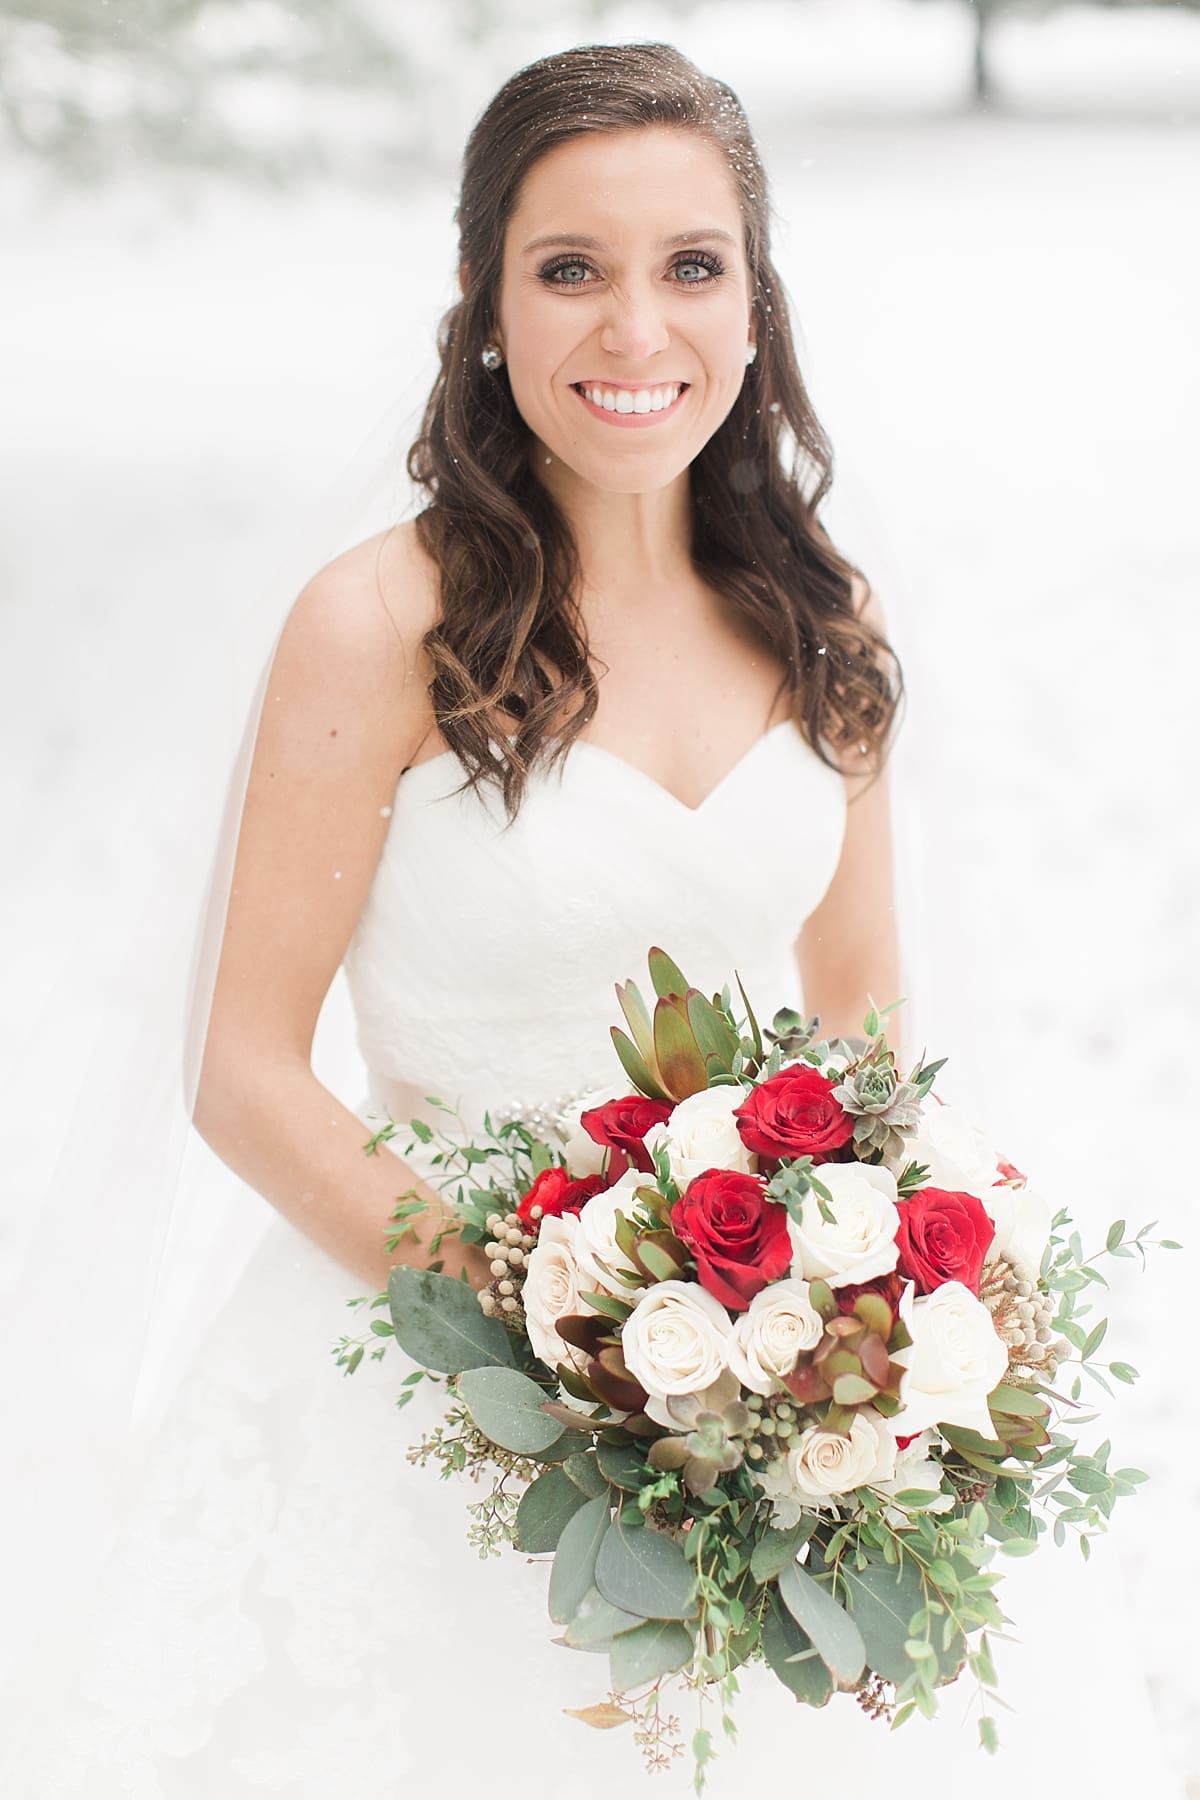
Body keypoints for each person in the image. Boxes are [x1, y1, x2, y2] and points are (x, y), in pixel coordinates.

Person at [2, 40, 1181, 1799]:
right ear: (487, 303)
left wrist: (833, 1341)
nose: (636, 332)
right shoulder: (381, 624)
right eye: (572, 271)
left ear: (756, 304)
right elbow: (245, 1071)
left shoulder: (816, 617)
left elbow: (858, 1026)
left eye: (690, 267)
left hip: (752, 1414)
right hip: (430, 1402)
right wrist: (574, 1337)